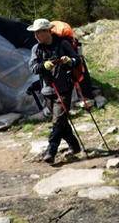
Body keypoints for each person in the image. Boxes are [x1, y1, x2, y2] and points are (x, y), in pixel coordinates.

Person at [27, 18, 82, 163]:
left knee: (57, 121)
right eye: (35, 33)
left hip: (64, 89)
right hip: (47, 90)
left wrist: (69, 61)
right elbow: (33, 68)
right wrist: (43, 66)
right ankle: (75, 146)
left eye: (39, 32)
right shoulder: (36, 49)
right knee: (61, 121)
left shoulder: (63, 44)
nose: (36, 35)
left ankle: (51, 151)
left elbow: (77, 60)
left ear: (48, 31)